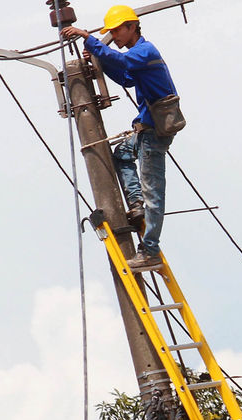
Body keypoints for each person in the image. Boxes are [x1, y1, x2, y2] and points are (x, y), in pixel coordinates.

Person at [61, 5, 179, 268]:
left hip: (153, 133)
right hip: (145, 130)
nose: (114, 36)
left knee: (154, 195)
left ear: (132, 27)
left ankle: (150, 251)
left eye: (116, 31)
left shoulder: (145, 51)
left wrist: (88, 38)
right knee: (122, 154)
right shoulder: (139, 57)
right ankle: (136, 204)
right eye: (110, 33)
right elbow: (126, 77)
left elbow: (124, 63)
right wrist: (99, 58)